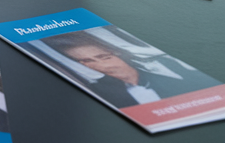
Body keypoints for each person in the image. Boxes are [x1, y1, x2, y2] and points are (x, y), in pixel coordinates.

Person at [49, 35, 221, 108]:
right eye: (86, 61)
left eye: (103, 57)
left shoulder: (176, 78)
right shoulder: (98, 92)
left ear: (118, 54)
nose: (100, 65)